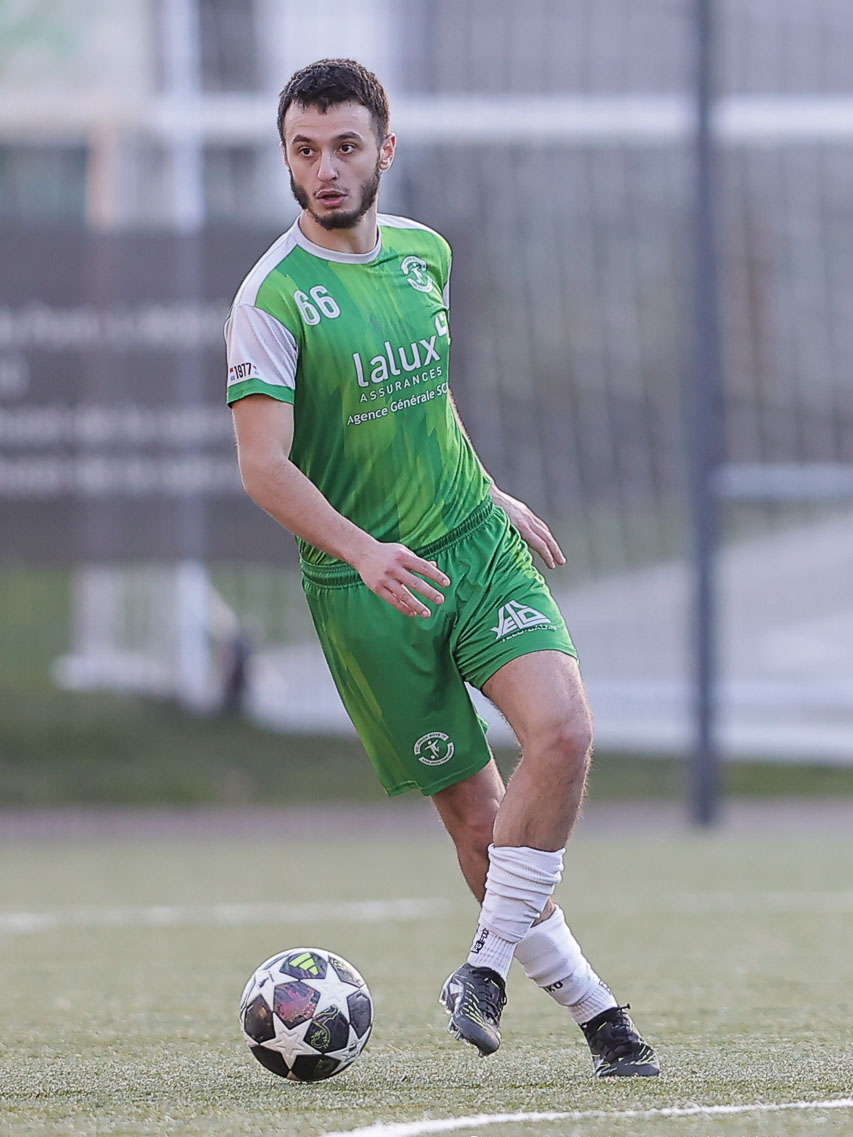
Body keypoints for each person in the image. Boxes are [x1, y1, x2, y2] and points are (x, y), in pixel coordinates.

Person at [226, 58, 659, 1078]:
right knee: (476, 817)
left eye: (344, 147)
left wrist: (488, 489)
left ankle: (483, 966)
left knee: (564, 731)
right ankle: (600, 1018)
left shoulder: (426, 254)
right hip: (367, 591)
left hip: (471, 545)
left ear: (384, 148)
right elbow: (263, 467)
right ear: (286, 158)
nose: (325, 170)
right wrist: (362, 549)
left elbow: (427, 396)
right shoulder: (272, 300)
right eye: (304, 150)